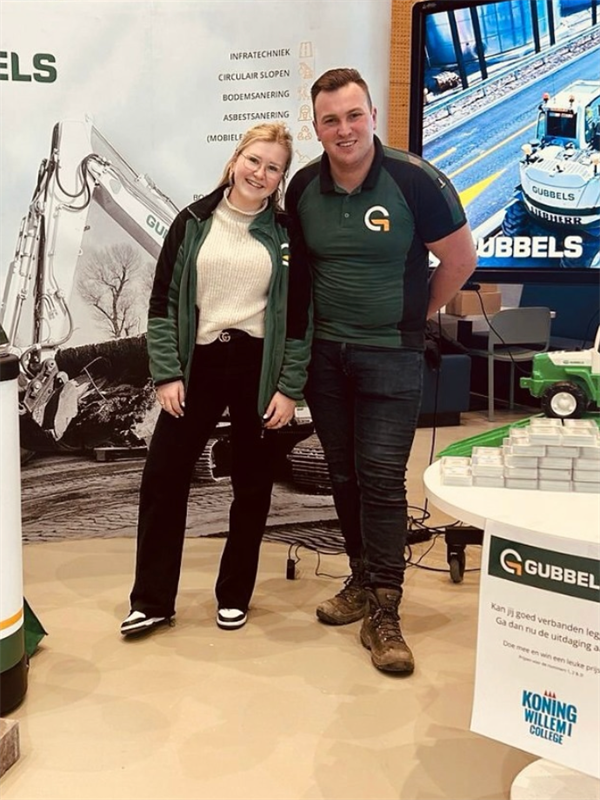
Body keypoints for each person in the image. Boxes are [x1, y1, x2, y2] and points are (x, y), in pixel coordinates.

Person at [285, 68, 477, 673]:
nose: (344, 129)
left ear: (372, 116)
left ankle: (386, 612)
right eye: (330, 120)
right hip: (326, 360)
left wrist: (414, 316)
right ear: (316, 127)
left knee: (382, 479)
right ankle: (361, 580)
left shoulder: (416, 181)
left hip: (391, 357)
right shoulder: (303, 187)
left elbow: (460, 260)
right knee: (343, 475)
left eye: (354, 115)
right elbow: (301, 274)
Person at [121, 122, 309, 637]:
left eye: (273, 168)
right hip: (198, 364)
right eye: (254, 160)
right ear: (236, 159)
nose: (260, 173)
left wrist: (288, 388)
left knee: (252, 484)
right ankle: (152, 601)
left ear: (281, 178)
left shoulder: (287, 234)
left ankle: (234, 594)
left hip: (257, 367)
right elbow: (162, 303)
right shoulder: (191, 223)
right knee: (163, 478)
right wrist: (166, 373)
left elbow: (299, 318)